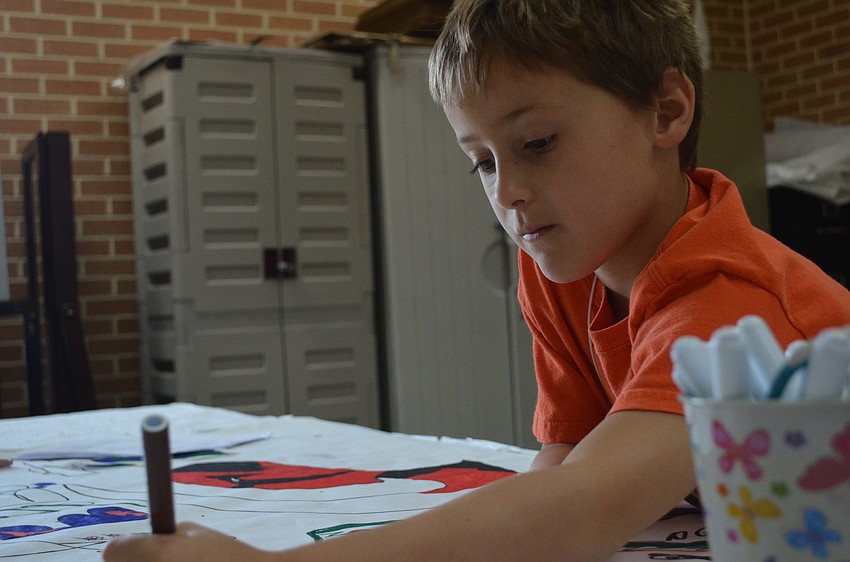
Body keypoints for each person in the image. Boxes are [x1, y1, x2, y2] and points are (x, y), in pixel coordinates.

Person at [103, 1, 850, 561]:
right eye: (483, 161)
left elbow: (581, 510)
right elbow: (562, 469)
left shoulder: (736, 306)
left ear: (667, 110)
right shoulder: (564, 274)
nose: (508, 194)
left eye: (536, 143)